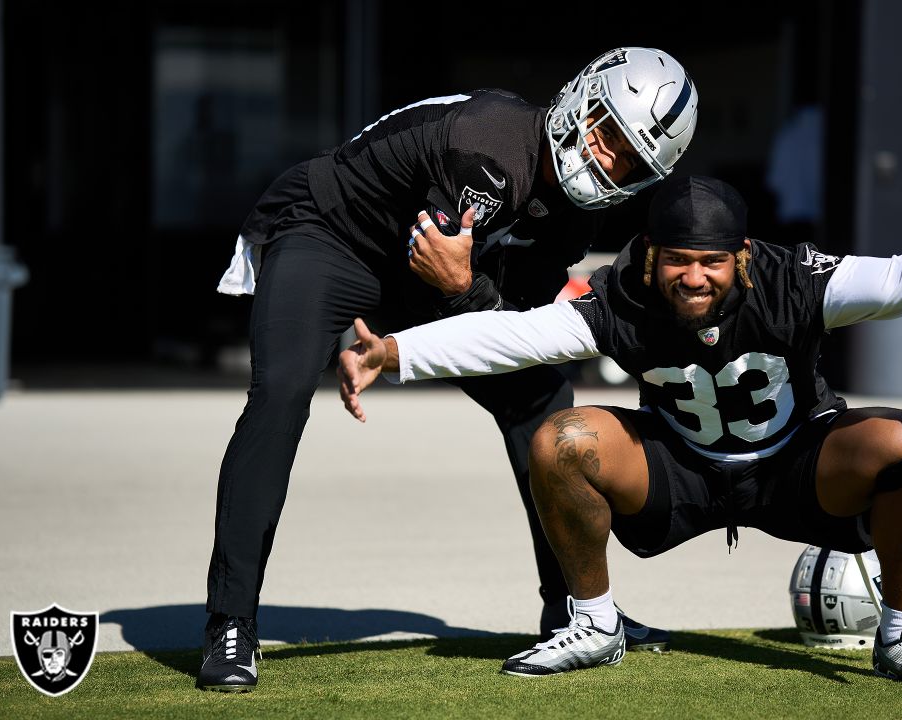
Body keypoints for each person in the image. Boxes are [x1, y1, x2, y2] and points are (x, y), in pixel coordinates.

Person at [337, 176, 902, 694]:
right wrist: (398, 353)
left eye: (712, 262)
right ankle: (593, 625)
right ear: (651, 253)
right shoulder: (620, 294)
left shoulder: (794, 279)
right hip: (678, 470)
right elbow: (519, 338)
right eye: (679, 261)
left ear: (743, 255)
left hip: (794, 464)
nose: (694, 279)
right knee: (559, 439)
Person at [199, 47, 699, 692]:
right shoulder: (489, 151)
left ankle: (577, 613)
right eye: (607, 133)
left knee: (545, 401)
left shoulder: (580, 211)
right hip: (333, 235)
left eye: (631, 160)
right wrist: (438, 317)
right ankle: (230, 622)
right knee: (281, 392)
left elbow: (507, 316)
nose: (607, 161)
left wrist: (407, 338)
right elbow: (441, 274)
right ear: (581, 96)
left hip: (426, 275)